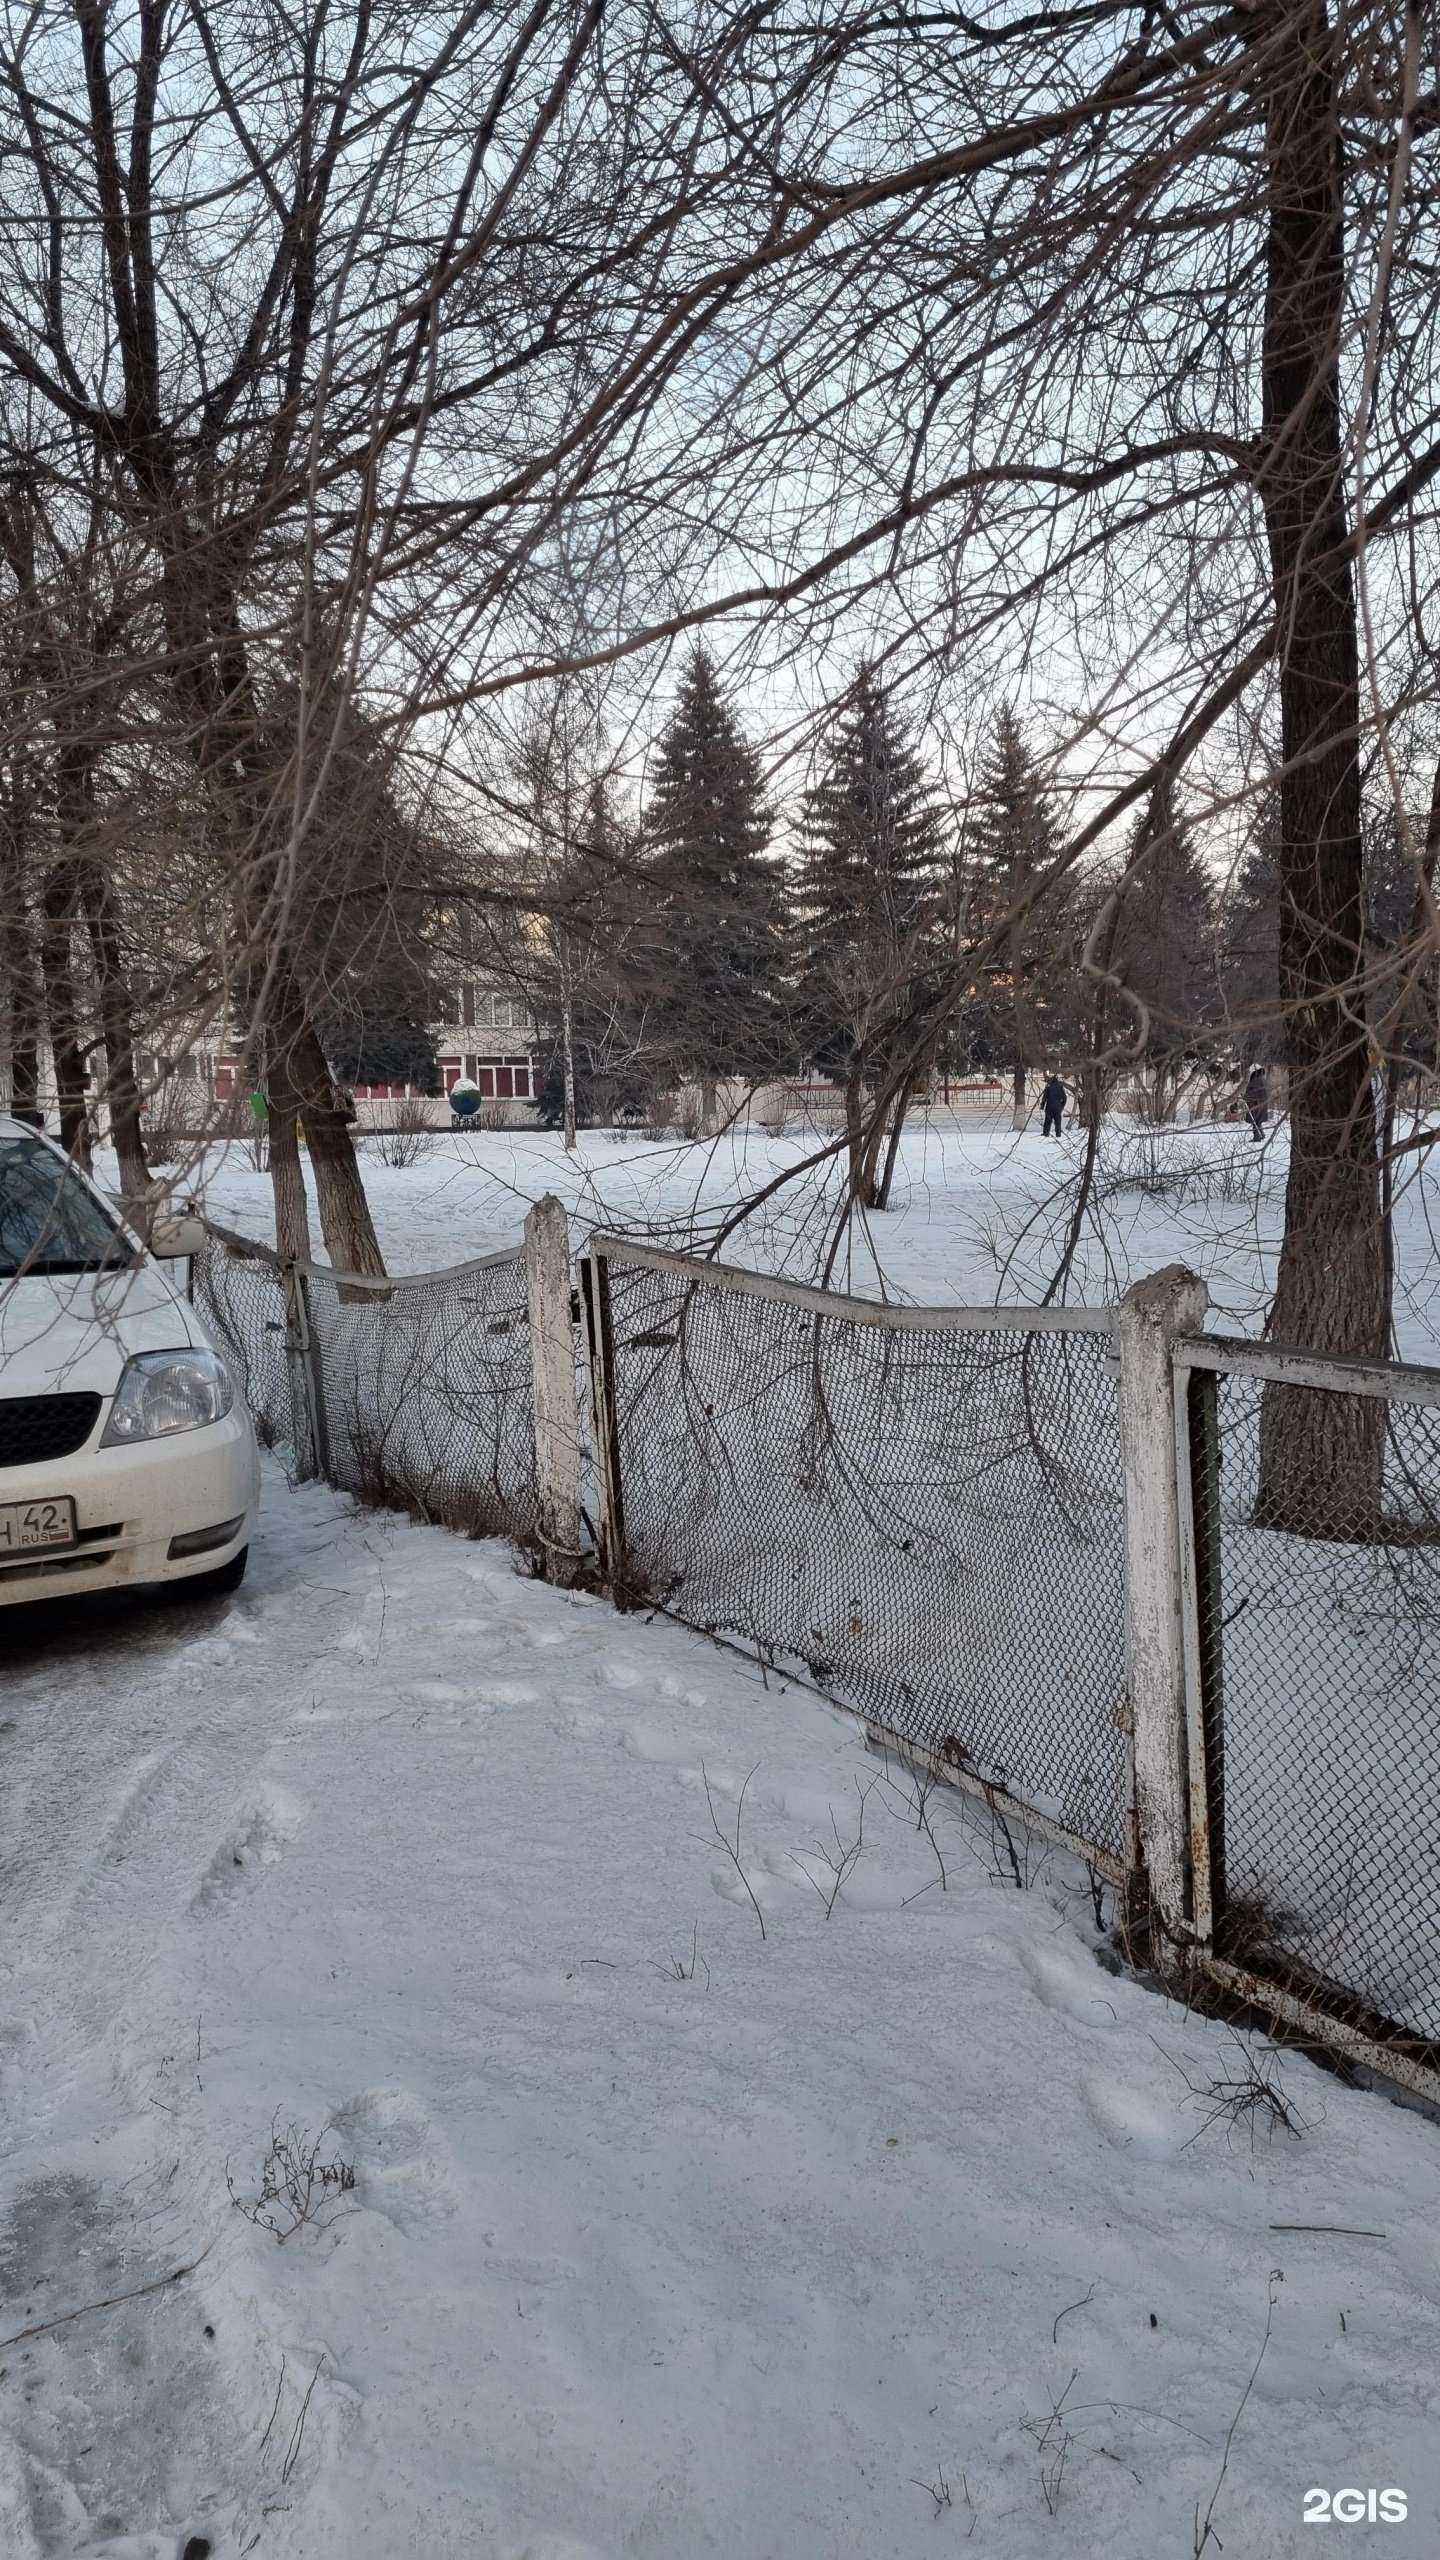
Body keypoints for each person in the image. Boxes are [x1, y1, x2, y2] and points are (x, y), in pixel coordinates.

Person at [1244, 1064, 1268, 1142]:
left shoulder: (1256, 1080)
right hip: (1261, 1104)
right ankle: (1262, 1134)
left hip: (1256, 1104)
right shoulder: (1262, 1079)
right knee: (1258, 1121)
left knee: (1255, 1121)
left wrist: (1246, 1096)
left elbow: (1252, 1092)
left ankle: (1257, 1137)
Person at [1040, 1071, 1067, 1137]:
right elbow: (1064, 1098)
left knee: (1048, 1121)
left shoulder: (1048, 1087)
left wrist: (1042, 1106)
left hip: (1049, 1107)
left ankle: (1046, 1133)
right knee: (1058, 1122)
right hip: (1057, 1108)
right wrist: (1061, 1106)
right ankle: (1058, 1134)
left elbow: (1044, 1097)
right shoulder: (1060, 1087)